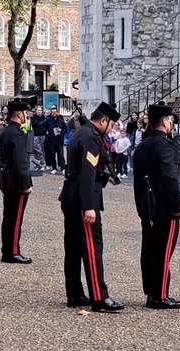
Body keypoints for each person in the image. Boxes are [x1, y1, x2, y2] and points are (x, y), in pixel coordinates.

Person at [59, 102, 125, 313]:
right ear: (103, 120)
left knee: (74, 248)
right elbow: (87, 174)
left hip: (71, 198)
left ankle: (75, 293)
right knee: (91, 248)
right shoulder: (90, 138)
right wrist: (89, 206)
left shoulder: (84, 133)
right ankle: (99, 296)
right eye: (112, 125)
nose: (113, 129)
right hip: (82, 200)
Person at [133, 102, 180, 309]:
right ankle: (160, 295)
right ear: (165, 121)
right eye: (170, 120)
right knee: (163, 252)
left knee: (149, 251)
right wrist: (179, 204)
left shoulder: (143, 145)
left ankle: (151, 291)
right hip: (164, 207)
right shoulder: (164, 146)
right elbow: (169, 178)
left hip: (147, 207)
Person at [0, 100, 33, 264]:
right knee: (15, 219)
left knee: (8, 217)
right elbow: (20, 162)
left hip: (7, 180)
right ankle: (13, 252)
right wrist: (26, 184)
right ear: (19, 114)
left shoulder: (4, 131)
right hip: (16, 183)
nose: (27, 116)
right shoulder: (17, 134)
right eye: (25, 113)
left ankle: (7, 250)